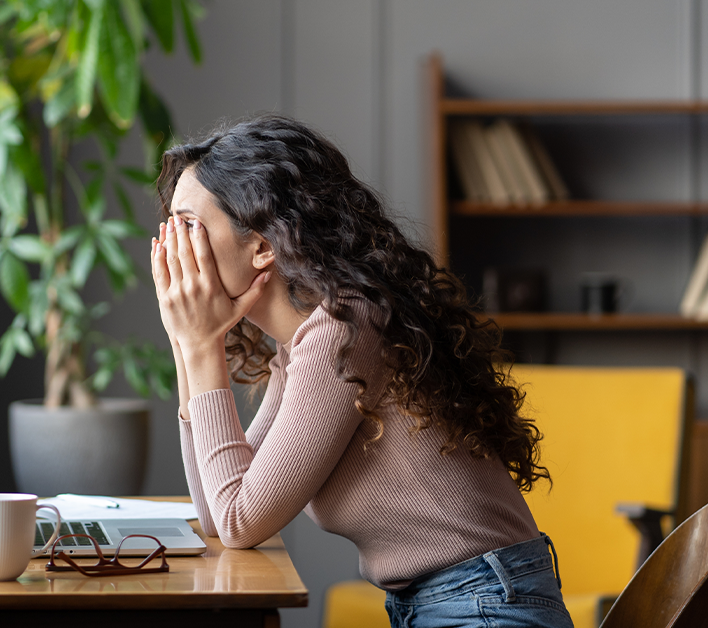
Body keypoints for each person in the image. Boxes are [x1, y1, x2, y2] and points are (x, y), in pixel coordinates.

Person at [150, 114, 574, 628]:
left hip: (485, 606)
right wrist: (187, 342)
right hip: (453, 602)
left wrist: (200, 345)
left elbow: (240, 520)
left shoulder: (346, 326)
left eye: (188, 225)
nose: (169, 245)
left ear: (262, 246)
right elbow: (220, 513)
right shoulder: (302, 344)